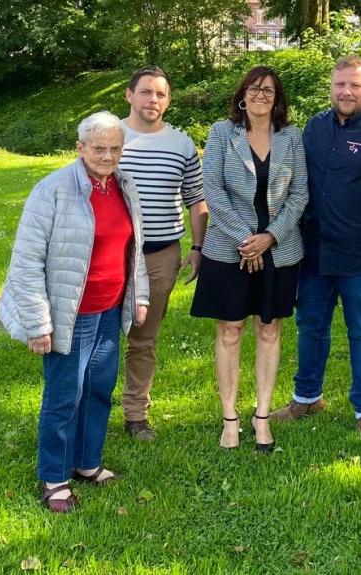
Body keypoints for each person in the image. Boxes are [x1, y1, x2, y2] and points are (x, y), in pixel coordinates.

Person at [0, 112, 151, 513]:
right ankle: (54, 476)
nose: (107, 155)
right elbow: (26, 261)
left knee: (99, 389)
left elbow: (134, 250)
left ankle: (87, 463)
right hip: (70, 312)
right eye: (98, 148)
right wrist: (38, 323)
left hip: (109, 308)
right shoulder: (52, 190)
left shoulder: (124, 186)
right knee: (65, 395)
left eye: (115, 148)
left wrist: (139, 295)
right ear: (80, 148)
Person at [271, 55, 361, 445]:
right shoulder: (315, 128)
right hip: (315, 251)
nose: (347, 92)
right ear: (331, 87)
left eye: (355, 85)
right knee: (310, 324)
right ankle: (306, 398)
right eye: (340, 84)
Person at [191, 66, 308, 452]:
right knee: (230, 331)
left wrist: (269, 237)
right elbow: (214, 191)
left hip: (279, 250)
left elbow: (300, 195)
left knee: (269, 330)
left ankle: (261, 417)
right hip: (229, 250)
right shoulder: (222, 133)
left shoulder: (291, 137)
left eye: (269, 90)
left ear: (278, 99)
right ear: (243, 95)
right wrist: (247, 240)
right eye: (254, 89)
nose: (261, 95)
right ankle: (229, 419)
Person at [116, 66, 209, 442]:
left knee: (143, 337)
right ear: (129, 95)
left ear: (168, 100)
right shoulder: (108, 136)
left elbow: (196, 200)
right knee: (100, 337)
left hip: (160, 255)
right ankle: (85, 407)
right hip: (109, 255)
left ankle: (135, 414)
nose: (152, 100)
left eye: (160, 94)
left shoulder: (182, 144)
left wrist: (198, 248)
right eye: (145, 92)